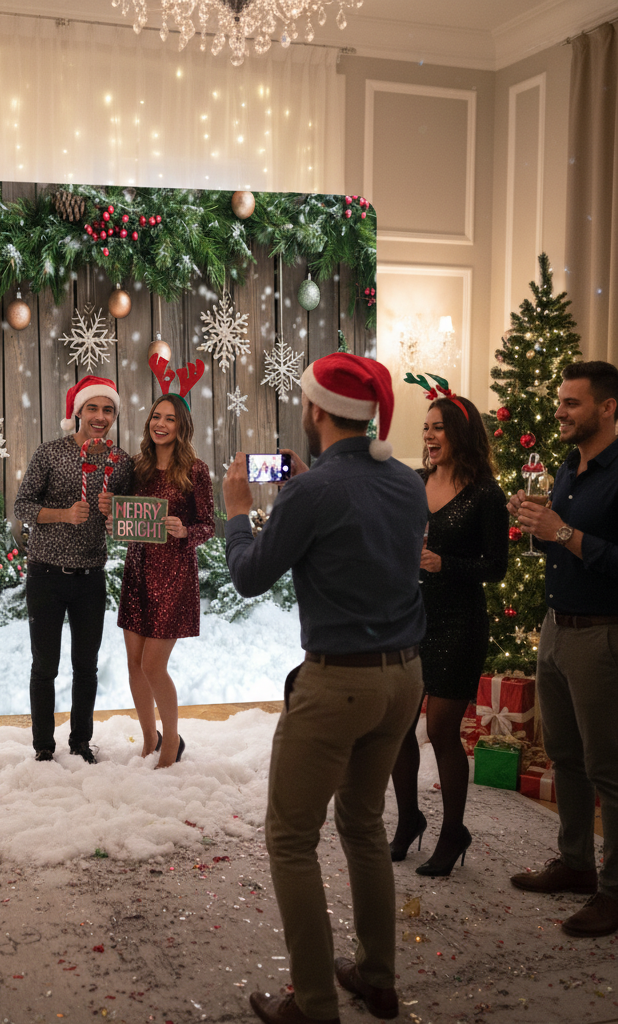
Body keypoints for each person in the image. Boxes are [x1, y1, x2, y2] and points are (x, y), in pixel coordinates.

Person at [224, 352, 427, 1024]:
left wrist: (235, 514)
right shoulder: (406, 481)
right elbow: (357, 529)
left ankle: (313, 1006)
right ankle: (377, 977)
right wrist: (304, 492)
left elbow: (251, 575)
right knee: (364, 823)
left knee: (289, 838)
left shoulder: (309, 492)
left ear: (314, 410)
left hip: (338, 683)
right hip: (404, 678)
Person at [508, 360, 618, 938]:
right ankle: (576, 865)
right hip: (555, 626)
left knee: (608, 768)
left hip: (602, 633)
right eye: (560, 402)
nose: (560, 412)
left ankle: (615, 891)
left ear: (607, 407)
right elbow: (556, 541)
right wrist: (535, 523)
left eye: (573, 403)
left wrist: (564, 533)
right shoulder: (566, 467)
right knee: (566, 757)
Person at [389, 386, 508, 876]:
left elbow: (495, 567)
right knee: (398, 725)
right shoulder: (415, 481)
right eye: (426, 428)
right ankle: (409, 819)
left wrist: (445, 563)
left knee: (439, 728)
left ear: (460, 433)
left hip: (460, 622)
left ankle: (453, 829)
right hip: (412, 617)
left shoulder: (486, 494)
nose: (429, 436)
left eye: (438, 427)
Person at [14, 375, 133, 764]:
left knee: (86, 666)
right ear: (78, 411)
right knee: (44, 666)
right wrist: (63, 513)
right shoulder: (51, 453)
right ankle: (43, 747)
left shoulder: (120, 462)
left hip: (90, 578)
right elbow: (22, 507)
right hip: (46, 574)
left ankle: (81, 742)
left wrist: (115, 509)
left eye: (108, 409)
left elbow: (131, 518)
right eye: (93, 408)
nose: (100, 416)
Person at [114, 394, 215, 768]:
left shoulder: (195, 471)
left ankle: (171, 742)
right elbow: (125, 513)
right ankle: (148, 738)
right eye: (156, 416)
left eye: (170, 419)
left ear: (182, 426)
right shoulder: (137, 467)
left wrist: (184, 530)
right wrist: (114, 517)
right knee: (134, 664)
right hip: (138, 570)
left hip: (173, 575)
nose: (161, 424)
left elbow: (209, 525)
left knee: (154, 665)